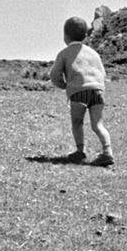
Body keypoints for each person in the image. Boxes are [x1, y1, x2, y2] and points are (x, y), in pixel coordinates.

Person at [47, 16, 114, 166]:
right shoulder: (94, 53)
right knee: (97, 124)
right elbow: (102, 73)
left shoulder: (64, 53)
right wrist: (98, 86)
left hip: (79, 91)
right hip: (97, 90)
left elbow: (54, 75)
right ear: (85, 35)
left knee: (77, 122)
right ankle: (107, 151)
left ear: (65, 35)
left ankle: (80, 151)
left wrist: (64, 85)